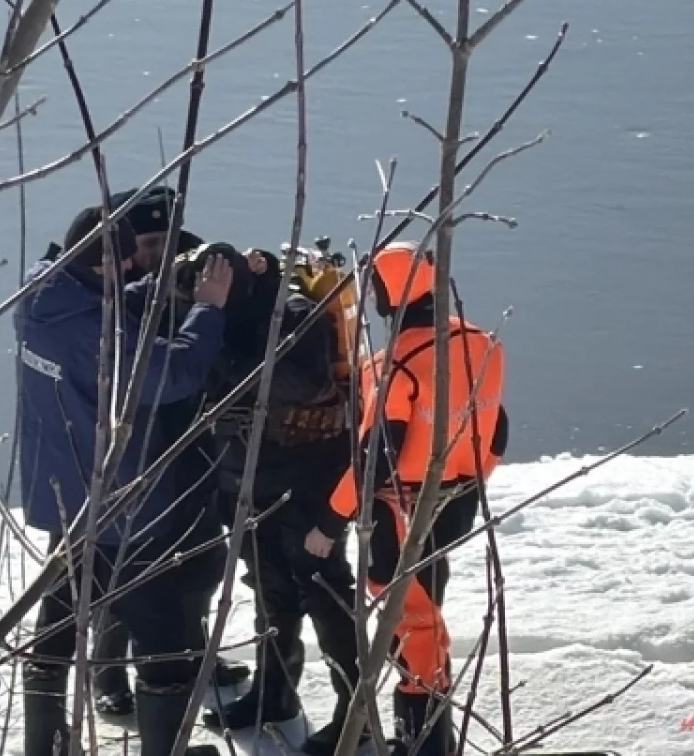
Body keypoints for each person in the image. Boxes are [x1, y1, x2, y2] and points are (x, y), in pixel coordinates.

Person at [15, 195, 236, 756]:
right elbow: (173, 372)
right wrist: (207, 307)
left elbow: (99, 315)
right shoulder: (101, 336)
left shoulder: (37, 299)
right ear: (101, 266)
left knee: (59, 619)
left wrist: (156, 290)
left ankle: (46, 743)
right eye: (126, 266)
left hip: (63, 496)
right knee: (161, 637)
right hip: (123, 506)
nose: (134, 269)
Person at [303, 241, 508, 756]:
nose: (372, 296)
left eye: (375, 286)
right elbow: (498, 429)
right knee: (426, 617)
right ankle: (429, 740)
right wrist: (473, 479)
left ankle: (423, 747)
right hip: (457, 501)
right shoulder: (482, 344)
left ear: (395, 290)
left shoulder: (398, 363)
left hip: (400, 514)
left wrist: (330, 521)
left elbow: (379, 454)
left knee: (410, 627)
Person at [85, 186, 251, 717]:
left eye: (167, 239)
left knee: (201, 560)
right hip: (130, 453)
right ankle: (108, 670)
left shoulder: (199, 267)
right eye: (149, 242)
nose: (159, 252)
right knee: (126, 572)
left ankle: (192, 653)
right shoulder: (110, 290)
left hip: (196, 442)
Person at [197, 246, 367, 755]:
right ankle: (276, 693)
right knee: (269, 585)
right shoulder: (222, 312)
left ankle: (353, 714)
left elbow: (305, 381)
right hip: (251, 475)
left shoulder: (293, 312)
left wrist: (225, 359)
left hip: (308, 473)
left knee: (323, 590)